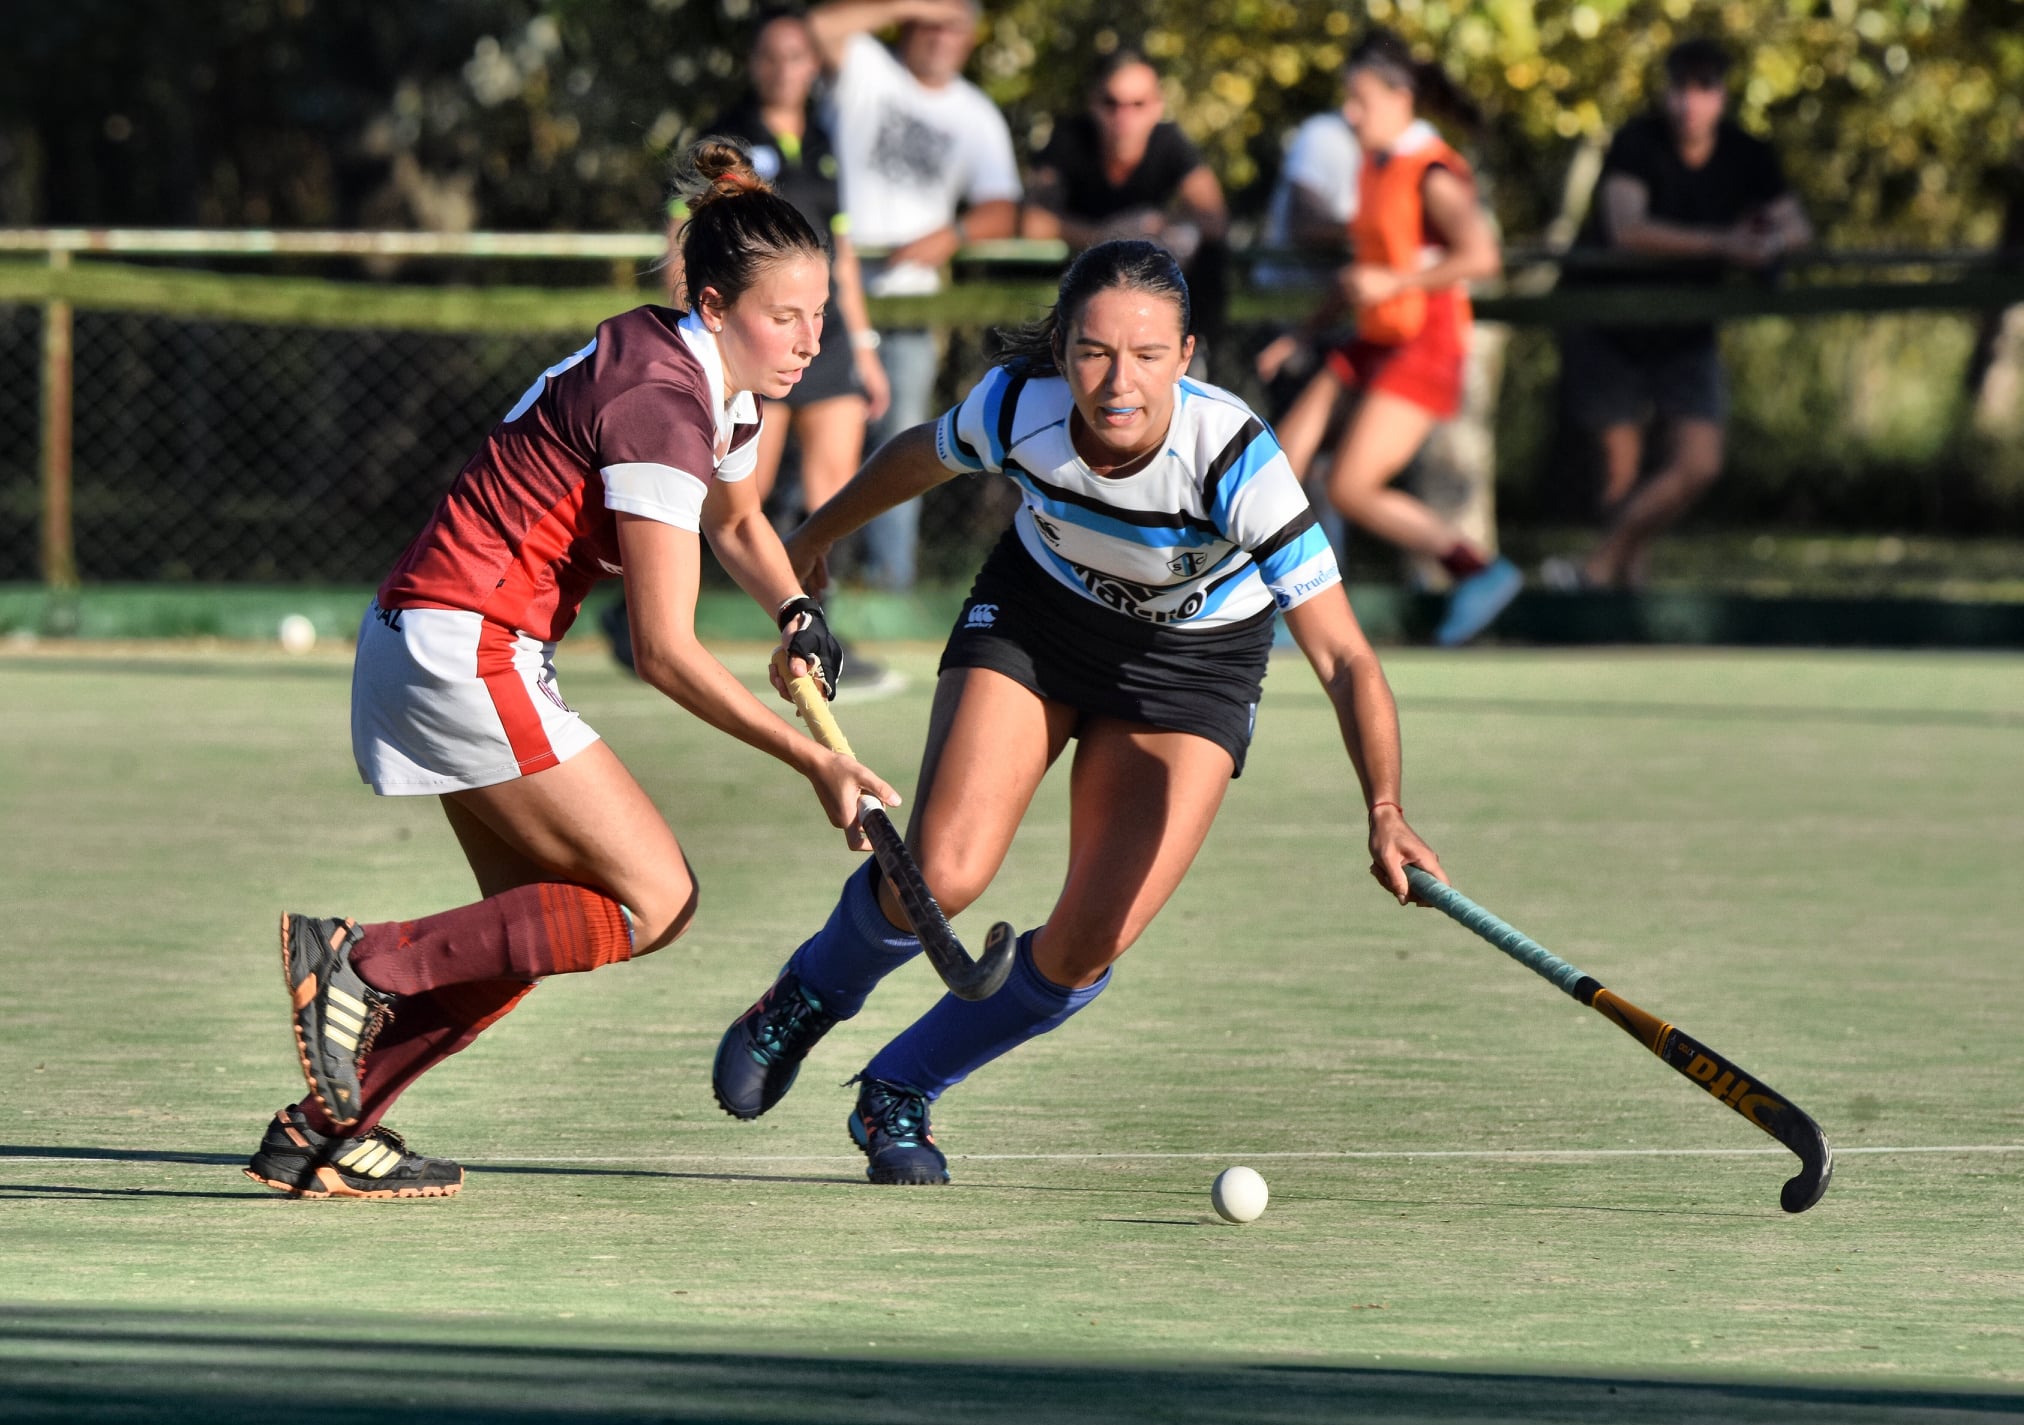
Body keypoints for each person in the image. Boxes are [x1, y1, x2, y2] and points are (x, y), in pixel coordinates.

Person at [709, 239, 1448, 1185]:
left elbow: (1345, 654)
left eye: (1148, 355)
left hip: (1191, 669)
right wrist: (806, 544)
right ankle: (806, 996)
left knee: (1089, 940)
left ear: (1186, 357)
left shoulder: (1235, 463)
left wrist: (1384, 805)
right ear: (1062, 349)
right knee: (942, 870)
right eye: (1095, 351)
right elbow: (920, 457)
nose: (1118, 381)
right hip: (1039, 619)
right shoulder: (1021, 406)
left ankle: (899, 1088)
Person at [244, 139, 899, 1201]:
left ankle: (322, 1129)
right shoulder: (661, 406)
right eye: (786, 318)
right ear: (721, 302)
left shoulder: (706, 379)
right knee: (654, 899)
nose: (809, 340)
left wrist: (794, 610)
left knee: (524, 933)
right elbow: (664, 650)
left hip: (439, 640)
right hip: (467, 646)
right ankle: (359, 962)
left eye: (820, 314)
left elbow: (735, 516)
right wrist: (808, 761)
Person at [608, 9, 892, 680]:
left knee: (831, 488)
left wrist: (865, 343)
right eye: (771, 56)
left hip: (822, 325)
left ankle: (817, 629)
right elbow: (684, 231)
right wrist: (698, 322)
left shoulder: (823, 138)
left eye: (797, 57)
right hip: (760, 327)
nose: (785, 69)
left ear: (813, 65)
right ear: (753, 64)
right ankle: (643, 608)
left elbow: (839, 250)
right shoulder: (731, 136)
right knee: (737, 495)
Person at [1257, 30, 1515, 648]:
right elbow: (1362, 275)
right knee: (1279, 462)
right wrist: (1304, 333)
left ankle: (1479, 572)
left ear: (1401, 97)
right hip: (1374, 338)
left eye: (1361, 100)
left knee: (1349, 486)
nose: (1350, 114)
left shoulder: (1431, 172)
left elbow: (1483, 258)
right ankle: (1271, 599)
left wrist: (1396, 279)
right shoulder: (1376, 164)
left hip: (1426, 345)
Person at [1551, 38, 1810, 590]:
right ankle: (1623, 597)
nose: (1689, 103)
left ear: (1722, 95)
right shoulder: (1636, 143)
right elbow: (1627, 229)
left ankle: (1598, 569)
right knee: (1618, 476)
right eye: (1680, 88)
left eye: (1704, 88)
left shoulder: (1747, 154)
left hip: (1685, 327)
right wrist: (1724, 244)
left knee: (1699, 464)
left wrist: (1766, 240)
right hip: (1609, 320)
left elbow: (1797, 227)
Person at [807, 0, 1022, 592]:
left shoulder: (975, 113)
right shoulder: (870, 68)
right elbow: (817, 28)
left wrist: (950, 235)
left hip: (909, 307)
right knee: (811, 452)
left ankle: (887, 585)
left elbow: (1004, 208)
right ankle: (803, 582)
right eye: (928, 20)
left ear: (972, 36)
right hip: (826, 300)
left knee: (905, 446)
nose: (938, 35)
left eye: (953, 23)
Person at [1021, 48, 1230, 350]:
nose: (1124, 116)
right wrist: (1106, 235)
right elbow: (1030, 220)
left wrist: (1160, 226)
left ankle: (1201, 353)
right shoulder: (1070, 140)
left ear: (1157, 106)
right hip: (1076, 291)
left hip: (1143, 289)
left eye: (1138, 104)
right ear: (1092, 103)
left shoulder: (1170, 143)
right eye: (1111, 103)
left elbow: (1214, 220)